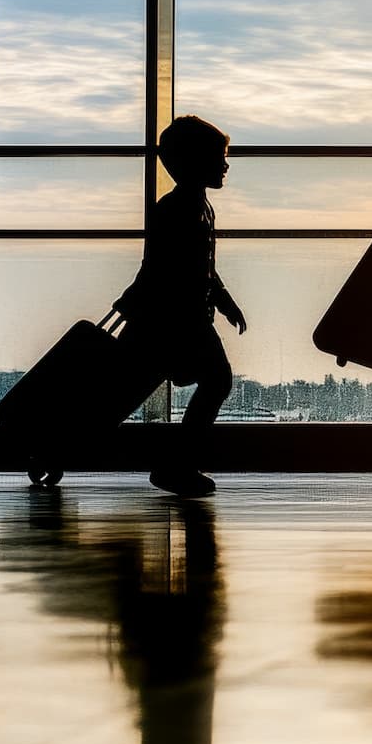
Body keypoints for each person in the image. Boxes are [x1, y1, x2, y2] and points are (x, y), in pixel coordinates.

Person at [114, 115, 246, 498]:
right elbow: (164, 266)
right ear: (193, 161)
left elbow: (197, 267)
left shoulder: (191, 206)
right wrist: (219, 300)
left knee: (122, 391)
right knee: (216, 380)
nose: (225, 164)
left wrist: (222, 299)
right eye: (219, 157)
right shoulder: (180, 209)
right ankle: (178, 463)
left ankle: (177, 462)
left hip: (176, 318)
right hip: (178, 320)